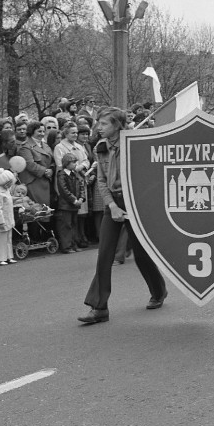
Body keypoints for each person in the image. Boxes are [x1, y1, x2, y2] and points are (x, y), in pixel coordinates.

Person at [78, 107, 168, 325]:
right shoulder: (100, 148)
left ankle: (158, 291)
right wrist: (112, 205)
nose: (99, 127)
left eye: (104, 124)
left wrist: (134, 206)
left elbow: (149, 178)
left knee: (141, 254)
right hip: (113, 204)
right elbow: (101, 180)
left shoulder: (136, 146)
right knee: (104, 255)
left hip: (135, 204)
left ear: (117, 125)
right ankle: (99, 308)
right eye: (98, 123)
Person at [18, 121, 54, 206]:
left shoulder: (46, 145)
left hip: (46, 180)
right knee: (37, 208)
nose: (42, 134)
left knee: (45, 209)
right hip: (34, 181)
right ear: (31, 131)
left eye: (43, 131)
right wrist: (45, 171)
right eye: (39, 131)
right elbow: (29, 164)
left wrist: (52, 170)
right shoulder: (25, 146)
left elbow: (52, 160)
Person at [55, 154, 84, 253]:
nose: (75, 164)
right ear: (66, 163)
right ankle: (66, 246)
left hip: (74, 205)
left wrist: (81, 198)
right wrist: (74, 200)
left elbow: (81, 185)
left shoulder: (75, 174)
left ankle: (74, 244)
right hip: (65, 205)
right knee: (66, 225)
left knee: (74, 224)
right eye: (73, 162)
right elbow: (63, 190)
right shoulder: (62, 174)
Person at [0, 168, 16, 266]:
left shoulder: (6, 190)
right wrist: (1, 222)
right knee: (1, 239)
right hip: (1, 221)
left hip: (8, 218)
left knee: (8, 239)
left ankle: (8, 256)